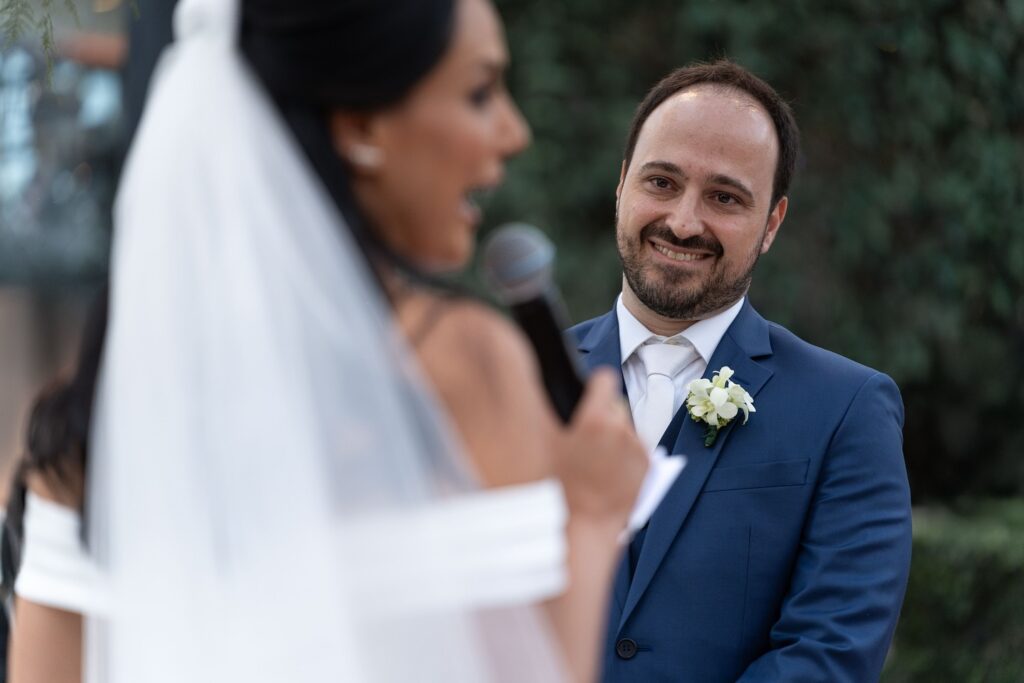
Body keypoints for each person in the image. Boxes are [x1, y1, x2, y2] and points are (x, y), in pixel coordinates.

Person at [4, 1, 648, 682]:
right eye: (479, 93)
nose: (512, 133)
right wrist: (591, 513)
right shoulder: (463, 364)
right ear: (362, 126)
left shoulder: (94, 415)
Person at [568, 59, 913, 682]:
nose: (683, 221)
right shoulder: (516, 381)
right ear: (622, 185)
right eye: (662, 182)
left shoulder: (848, 410)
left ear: (772, 223)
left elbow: (829, 653)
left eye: (724, 197)